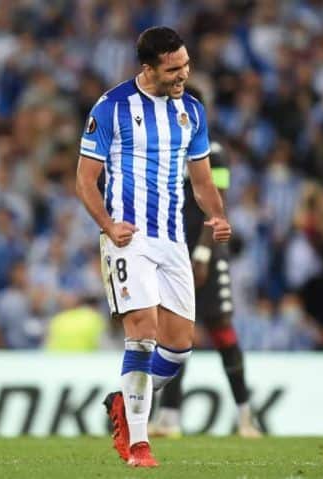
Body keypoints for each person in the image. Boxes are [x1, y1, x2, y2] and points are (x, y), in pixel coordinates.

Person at [76, 26, 231, 468]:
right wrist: (108, 227)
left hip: (172, 239)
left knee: (179, 348)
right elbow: (85, 180)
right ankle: (139, 444)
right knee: (142, 331)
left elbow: (201, 181)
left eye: (186, 64)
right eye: (173, 68)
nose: (183, 74)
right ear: (148, 68)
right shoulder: (112, 107)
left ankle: (124, 402)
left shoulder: (193, 112)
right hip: (130, 238)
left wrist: (216, 214)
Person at [149, 113, 262, 438]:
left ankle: (246, 418)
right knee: (174, 333)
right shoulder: (166, 151)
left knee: (221, 330)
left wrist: (201, 252)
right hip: (174, 255)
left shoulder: (212, 151)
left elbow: (218, 204)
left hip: (207, 255)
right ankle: (169, 419)